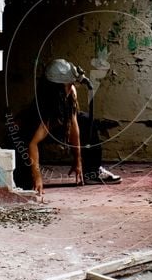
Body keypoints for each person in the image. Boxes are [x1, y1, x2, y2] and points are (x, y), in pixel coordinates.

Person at [8, 58, 121, 195]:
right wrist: (37, 177)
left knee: (85, 120)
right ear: (58, 89)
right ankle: (23, 178)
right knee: (24, 180)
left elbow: (74, 125)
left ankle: (92, 171)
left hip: (58, 122)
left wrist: (77, 160)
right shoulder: (47, 107)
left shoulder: (70, 92)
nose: (72, 85)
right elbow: (33, 144)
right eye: (69, 84)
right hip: (30, 130)